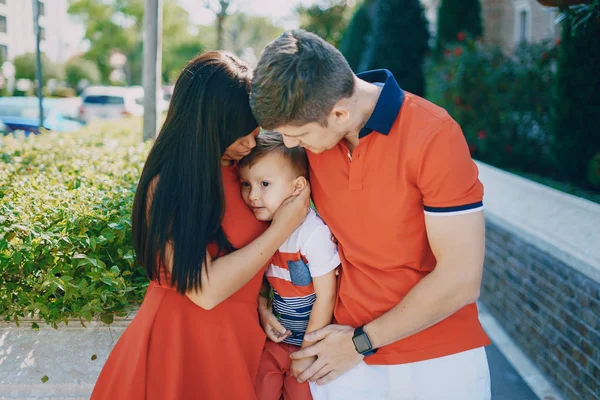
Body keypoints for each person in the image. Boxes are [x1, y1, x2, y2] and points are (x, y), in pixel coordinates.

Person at [250, 30, 491, 400]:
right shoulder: (316, 139)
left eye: (297, 134)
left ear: (341, 112)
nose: (290, 145)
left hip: (437, 360)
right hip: (341, 359)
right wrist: (265, 301)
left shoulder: (433, 135)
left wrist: (362, 342)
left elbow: (461, 277)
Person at [90, 51, 310, 400]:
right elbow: (204, 290)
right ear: (210, 123)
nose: (252, 142)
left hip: (237, 342)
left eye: (255, 130)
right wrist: (281, 228)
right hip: (177, 348)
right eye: (242, 132)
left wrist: (260, 300)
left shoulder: (245, 175)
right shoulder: (167, 185)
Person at [238, 133, 339, 400]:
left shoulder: (311, 233)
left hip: (311, 343)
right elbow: (259, 279)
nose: (252, 196)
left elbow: (327, 295)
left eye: (265, 184)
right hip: (276, 341)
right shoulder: (263, 228)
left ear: (297, 187)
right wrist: (262, 309)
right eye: (246, 184)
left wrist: (306, 352)